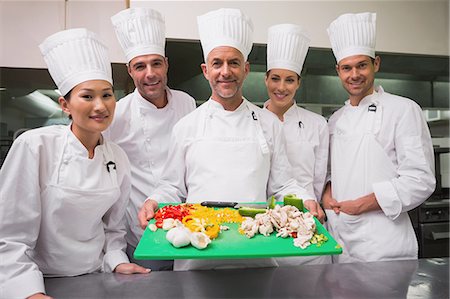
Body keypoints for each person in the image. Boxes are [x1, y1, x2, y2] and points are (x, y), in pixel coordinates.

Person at [138, 8, 324, 271]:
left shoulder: (268, 123)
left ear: (246, 69)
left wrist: (304, 198)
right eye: (217, 63)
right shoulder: (186, 126)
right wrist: (154, 200)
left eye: (233, 63)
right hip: (196, 254)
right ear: (206, 70)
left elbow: (283, 186)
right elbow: (172, 187)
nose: (225, 71)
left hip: (256, 251)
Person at [0, 28, 149, 299]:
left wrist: (117, 260)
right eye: (87, 96)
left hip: (95, 278)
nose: (100, 106)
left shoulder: (118, 157)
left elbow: (113, 228)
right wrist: (27, 291)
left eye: (106, 94)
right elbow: (10, 234)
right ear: (65, 105)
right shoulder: (35, 146)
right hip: (38, 281)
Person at [322, 12, 436, 263]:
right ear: (338, 71)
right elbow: (332, 172)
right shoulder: (335, 120)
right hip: (341, 243)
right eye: (347, 68)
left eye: (362, 65)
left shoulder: (403, 110)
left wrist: (363, 204)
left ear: (376, 64)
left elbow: (420, 180)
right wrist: (327, 195)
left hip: (385, 247)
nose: (354, 74)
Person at [105, 7, 196, 270]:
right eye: (140, 66)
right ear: (130, 71)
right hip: (141, 228)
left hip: (188, 224)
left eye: (156, 63)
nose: (150, 73)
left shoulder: (187, 102)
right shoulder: (117, 113)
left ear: (166, 64)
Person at [263, 24, 330, 266]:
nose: (281, 88)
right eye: (275, 79)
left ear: (299, 83)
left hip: (308, 226)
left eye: (289, 80)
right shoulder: (252, 121)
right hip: (266, 231)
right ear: (265, 79)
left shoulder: (318, 124)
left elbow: (320, 178)